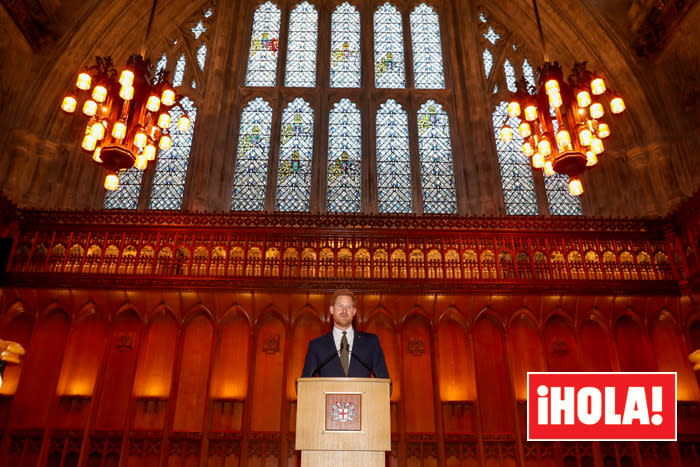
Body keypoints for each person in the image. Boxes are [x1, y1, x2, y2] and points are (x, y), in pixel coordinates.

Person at [301, 289, 390, 379]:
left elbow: (384, 382)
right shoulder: (317, 345)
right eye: (340, 306)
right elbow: (305, 385)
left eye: (348, 307)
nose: (344, 311)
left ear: (354, 312)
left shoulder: (371, 343)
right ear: (332, 309)